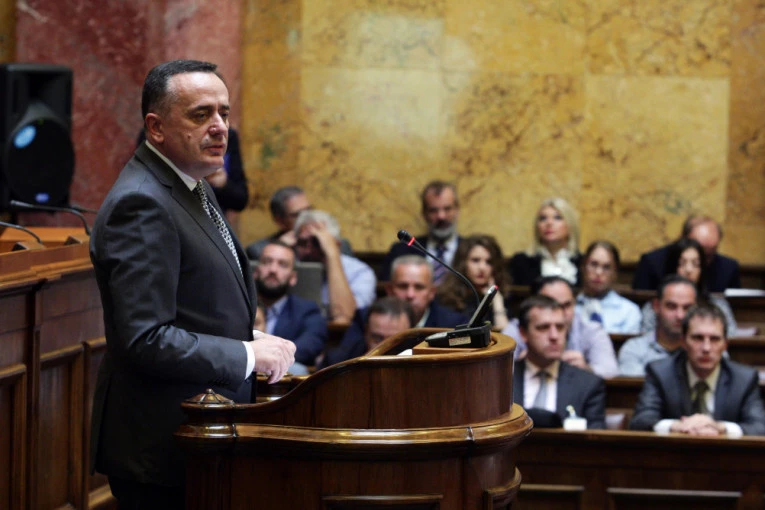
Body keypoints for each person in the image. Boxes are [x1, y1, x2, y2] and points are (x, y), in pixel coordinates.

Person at [89, 60, 296, 509]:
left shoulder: (191, 183)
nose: (220, 126)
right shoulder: (141, 203)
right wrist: (246, 354)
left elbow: (191, 300)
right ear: (156, 127)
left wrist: (248, 335)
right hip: (164, 448)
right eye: (201, 114)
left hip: (199, 435)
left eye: (224, 112)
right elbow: (145, 338)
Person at [630, 303, 765, 436]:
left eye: (714, 339)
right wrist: (678, 426)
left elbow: (760, 427)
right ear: (683, 341)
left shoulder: (743, 379)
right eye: (698, 338)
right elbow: (641, 420)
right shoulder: (660, 373)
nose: (706, 348)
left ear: (725, 344)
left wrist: (719, 427)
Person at [512, 295, 606, 429]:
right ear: (523, 333)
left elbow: (596, 436)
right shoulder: (501, 381)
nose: (554, 336)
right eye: (543, 327)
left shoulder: (588, 384)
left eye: (560, 327)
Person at [504, 276, 618, 378]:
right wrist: (523, 365)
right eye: (551, 305)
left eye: (567, 305)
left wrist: (586, 369)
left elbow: (611, 371)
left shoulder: (590, 329)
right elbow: (497, 371)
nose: (561, 313)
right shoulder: (518, 328)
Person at [136, 127, 247, 217]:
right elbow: (141, 192)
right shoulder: (155, 136)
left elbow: (241, 200)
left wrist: (223, 185)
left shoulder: (227, 137)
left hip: (213, 226)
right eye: (202, 114)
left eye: (223, 114)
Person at [254, 241, 328, 374]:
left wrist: (264, 356)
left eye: (282, 264)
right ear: (256, 271)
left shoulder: (307, 310)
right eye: (267, 262)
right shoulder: (239, 307)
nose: (273, 269)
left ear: (293, 277)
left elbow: (310, 347)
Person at [639, 238, 739, 337]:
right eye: (682, 263)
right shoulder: (654, 307)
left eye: (696, 264)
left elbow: (732, 338)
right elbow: (646, 341)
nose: (689, 270)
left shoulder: (718, 306)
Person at [293, 209, 376, 324]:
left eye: (316, 243)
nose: (308, 251)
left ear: (336, 245)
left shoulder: (360, 272)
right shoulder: (289, 267)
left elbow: (346, 317)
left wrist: (332, 255)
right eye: (302, 243)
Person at [380, 180, 464, 284]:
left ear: (457, 210)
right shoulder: (402, 250)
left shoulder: (472, 252)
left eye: (447, 209)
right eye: (433, 210)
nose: (441, 216)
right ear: (424, 214)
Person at [632, 215, 741, 292]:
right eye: (700, 250)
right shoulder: (652, 263)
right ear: (683, 239)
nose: (704, 260)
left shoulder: (728, 268)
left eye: (710, 253)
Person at [245, 186, 353, 260]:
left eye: (309, 210)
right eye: (298, 215)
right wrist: (280, 247)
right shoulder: (258, 251)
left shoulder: (340, 246)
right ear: (280, 221)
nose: (307, 217)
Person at [618, 275, 697, 376]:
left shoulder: (704, 349)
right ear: (656, 306)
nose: (680, 315)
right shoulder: (635, 349)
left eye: (687, 308)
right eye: (671, 306)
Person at [436, 234, 511, 330]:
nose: (482, 268)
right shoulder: (446, 298)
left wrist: (497, 300)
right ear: (462, 263)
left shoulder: (502, 296)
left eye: (489, 262)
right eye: (475, 260)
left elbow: (505, 334)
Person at [508, 197, 582, 286]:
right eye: (543, 218)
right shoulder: (521, 262)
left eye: (557, 217)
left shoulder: (583, 263)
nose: (549, 223)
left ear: (570, 225)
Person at [575, 240, 642, 334]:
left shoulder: (629, 311)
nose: (598, 272)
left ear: (615, 273)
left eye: (606, 267)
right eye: (593, 264)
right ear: (583, 267)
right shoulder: (570, 307)